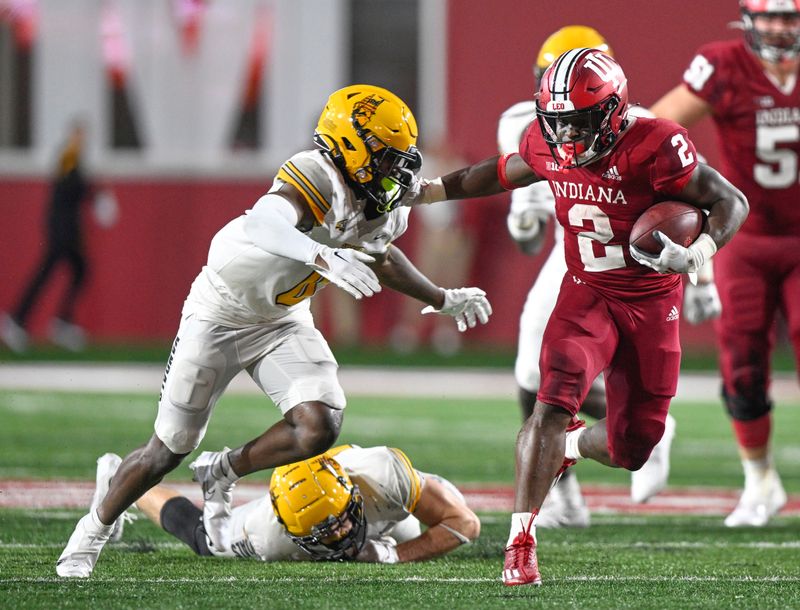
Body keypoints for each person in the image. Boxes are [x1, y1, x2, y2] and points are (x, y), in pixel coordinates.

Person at [55, 84, 492, 578]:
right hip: (220, 312)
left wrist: (441, 297)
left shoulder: (380, 201)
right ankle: (91, 529)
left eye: (398, 158)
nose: (396, 170)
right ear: (349, 145)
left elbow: (384, 257)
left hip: (281, 319)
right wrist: (321, 255)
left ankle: (225, 468)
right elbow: (264, 221)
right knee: (167, 450)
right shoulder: (316, 172)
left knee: (319, 425)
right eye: (385, 156)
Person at [408, 48, 748, 586]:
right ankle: (521, 541)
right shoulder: (548, 140)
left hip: (650, 301)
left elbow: (730, 201)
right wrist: (429, 192)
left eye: (580, 122)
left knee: (633, 447)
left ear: (614, 111)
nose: (567, 136)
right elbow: (500, 173)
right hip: (585, 293)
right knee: (550, 399)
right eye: (557, 122)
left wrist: (698, 255)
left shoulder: (657, 145)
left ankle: (569, 446)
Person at [498, 26, 719, 526]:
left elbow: (702, 206)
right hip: (575, 251)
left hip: (640, 262)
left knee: (593, 398)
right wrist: (522, 220)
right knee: (535, 375)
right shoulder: (526, 124)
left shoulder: (651, 134)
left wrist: (704, 275)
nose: (565, 119)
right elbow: (528, 230)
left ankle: (627, 432)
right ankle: (564, 497)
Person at [650, 0, 799, 528]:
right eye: (772, 18)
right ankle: (760, 481)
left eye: (792, 17)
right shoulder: (722, 65)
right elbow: (654, 129)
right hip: (746, 240)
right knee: (742, 363)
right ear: (748, 20)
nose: (781, 28)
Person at [91, 444, 479, 564]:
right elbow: (213, 532)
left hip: (382, 511)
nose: (342, 535)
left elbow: (464, 523)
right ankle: (121, 480)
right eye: (325, 532)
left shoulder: (383, 477)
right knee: (206, 540)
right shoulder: (269, 535)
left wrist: (396, 556)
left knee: (441, 511)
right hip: (296, 514)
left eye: (341, 522)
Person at [1, 121, 115, 353]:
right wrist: (96, 196)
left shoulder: (74, 159)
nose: (82, 140)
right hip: (62, 228)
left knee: (76, 270)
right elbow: (72, 184)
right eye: (79, 135)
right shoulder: (68, 157)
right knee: (52, 272)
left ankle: (55, 322)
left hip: (67, 228)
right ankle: (19, 320)